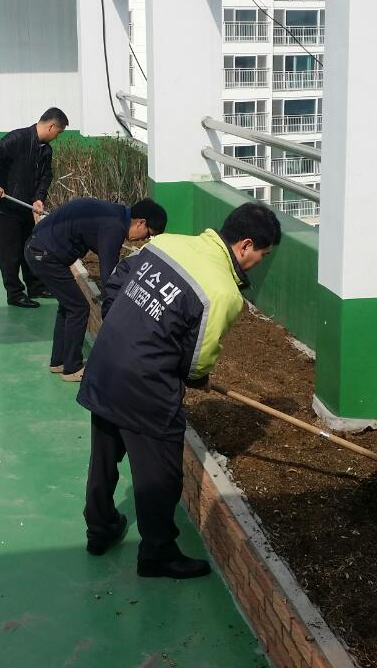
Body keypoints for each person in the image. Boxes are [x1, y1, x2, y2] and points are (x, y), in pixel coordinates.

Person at [76, 202, 282, 579]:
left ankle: (100, 528)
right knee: (161, 476)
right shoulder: (222, 292)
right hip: (145, 387)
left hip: (105, 363)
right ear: (245, 245)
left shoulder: (167, 243)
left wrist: (124, 328)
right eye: (262, 255)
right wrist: (197, 377)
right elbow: (197, 358)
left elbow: (117, 280)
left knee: (104, 457)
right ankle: (157, 555)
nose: (259, 262)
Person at [25, 197, 169, 383]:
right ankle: (72, 368)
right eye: (148, 234)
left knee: (69, 306)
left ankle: (59, 361)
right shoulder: (114, 227)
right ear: (141, 222)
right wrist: (117, 314)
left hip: (38, 248)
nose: (144, 239)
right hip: (45, 255)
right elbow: (109, 277)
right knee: (79, 308)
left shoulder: (115, 215)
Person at [0, 107, 68, 308]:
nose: (58, 137)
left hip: (25, 207)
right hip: (4, 208)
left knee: (30, 248)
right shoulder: (18, 138)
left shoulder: (45, 149)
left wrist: (38, 198)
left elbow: (46, 176)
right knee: (9, 252)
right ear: (51, 126)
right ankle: (14, 293)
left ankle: (35, 287)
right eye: (59, 132)